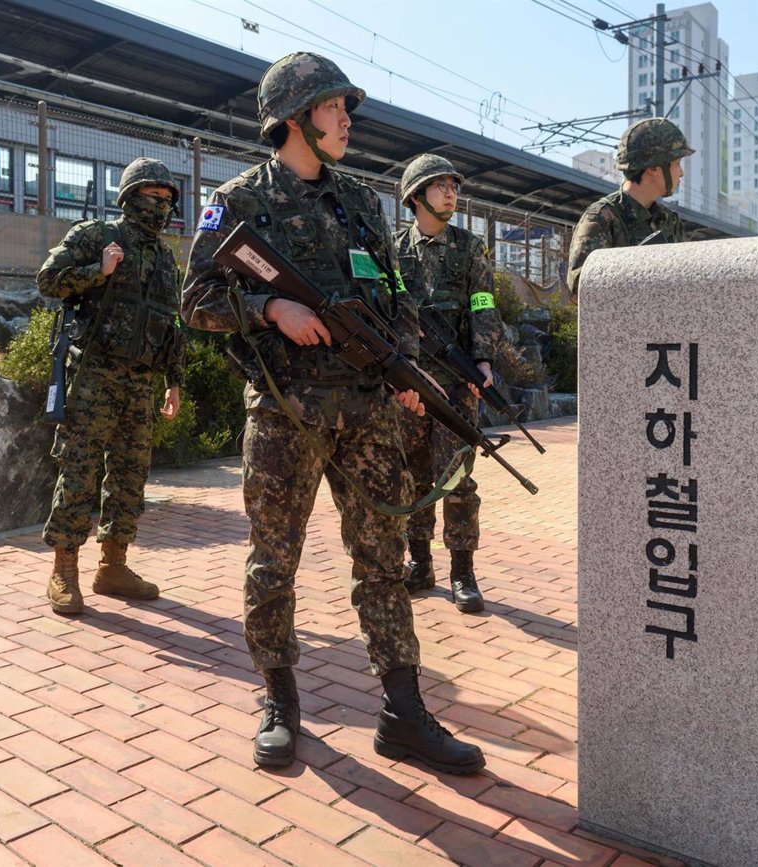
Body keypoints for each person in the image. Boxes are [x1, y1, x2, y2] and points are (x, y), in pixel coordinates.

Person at [180, 51, 484, 775]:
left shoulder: (361, 203)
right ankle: (280, 701)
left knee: (382, 562)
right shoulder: (237, 201)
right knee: (273, 563)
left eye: (346, 108)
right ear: (294, 118)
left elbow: (397, 299)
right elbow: (194, 300)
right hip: (286, 415)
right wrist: (269, 308)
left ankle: (402, 712)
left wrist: (406, 369)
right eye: (332, 107)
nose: (347, 120)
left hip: (366, 413)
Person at [37, 157, 184, 616]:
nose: (161, 207)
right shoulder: (96, 236)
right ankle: (64, 570)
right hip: (94, 377)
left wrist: (174, 382)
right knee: (79, 471)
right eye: (153, 196)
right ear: (130, 197)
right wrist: (97, 272)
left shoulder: (165, 258)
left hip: (140, 383)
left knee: (130, 476)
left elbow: (170, 324)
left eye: (168, 200)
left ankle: (113, 567)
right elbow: (48, 280)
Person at [394, 154, 503, 614]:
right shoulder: (393, 250)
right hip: (409, 386)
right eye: (440, 186)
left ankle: (462, 572)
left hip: (457, 385)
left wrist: (483, 360)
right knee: (412, 478)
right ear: (415, 196)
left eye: (453, 186)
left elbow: (483, 303)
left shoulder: (469, 247)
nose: (451, 193)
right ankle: (420, 564)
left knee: (458, 479)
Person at [566, 117, 695, 293]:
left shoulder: (670, 220)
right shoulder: (601, 218)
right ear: (653, 168)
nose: (681, 173)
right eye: (677, 163)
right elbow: (580, 287)